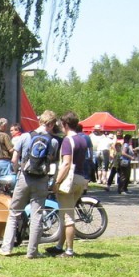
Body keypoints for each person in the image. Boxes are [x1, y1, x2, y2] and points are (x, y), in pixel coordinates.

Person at [0, 110, 59, 259]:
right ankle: (32, 251)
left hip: (24, 178)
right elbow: (53, 163)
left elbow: (14, 159)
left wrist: (16, 172)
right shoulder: (53, 141)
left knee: (14, 213)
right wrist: (53, 181)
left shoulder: (25, 137)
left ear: (40, 122)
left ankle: (6, 248)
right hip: (41, 180)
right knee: (37, 215)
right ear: (51, 125)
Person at [46, 111, 90, 259]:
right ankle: (60, 246)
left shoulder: (67, 140)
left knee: (68, 217)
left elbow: (66, 164)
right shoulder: (83, 139)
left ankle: (69, 250)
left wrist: (56, 182)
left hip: (69, 180)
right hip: (80, 178)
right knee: (65, 214)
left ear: (65, 124)